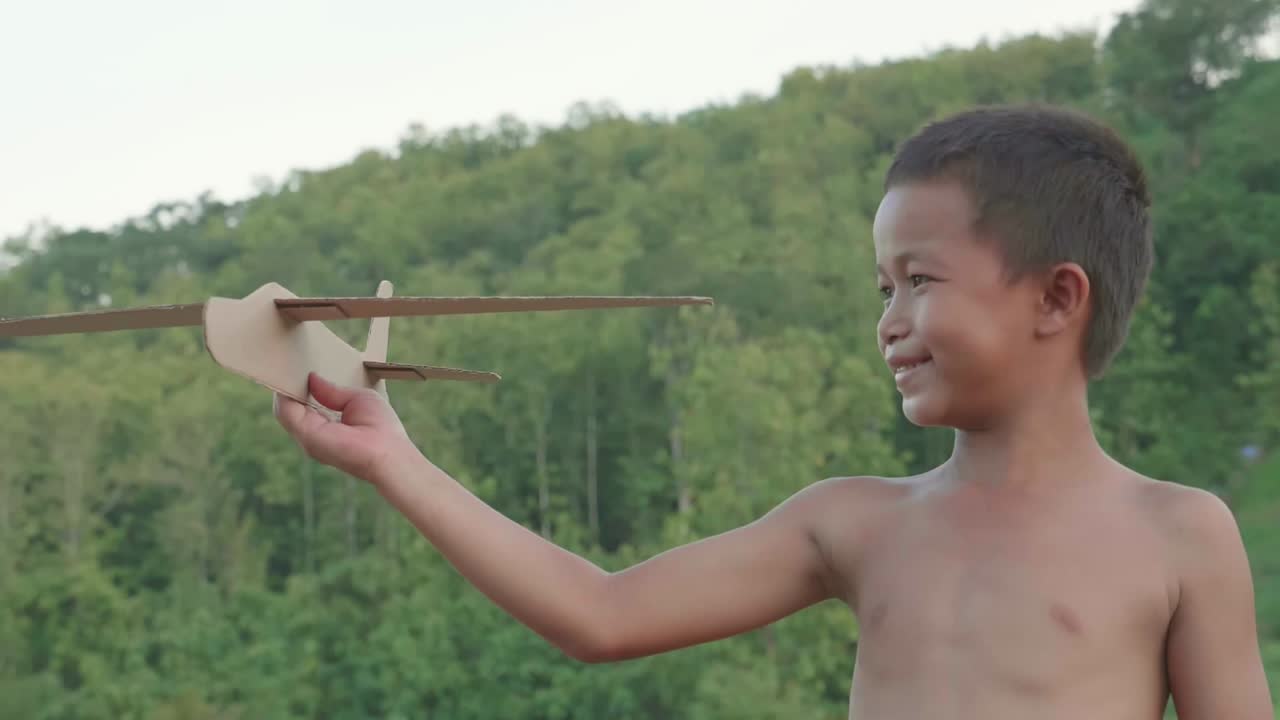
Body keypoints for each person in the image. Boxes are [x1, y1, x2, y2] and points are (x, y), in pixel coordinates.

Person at [273, 104, 1273, 718]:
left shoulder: (1178, 537)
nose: (887, 320)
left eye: (917, 280)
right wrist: (393, 461)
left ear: (1056, 298)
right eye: (879, 287)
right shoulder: (853, 523)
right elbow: (603, 614)